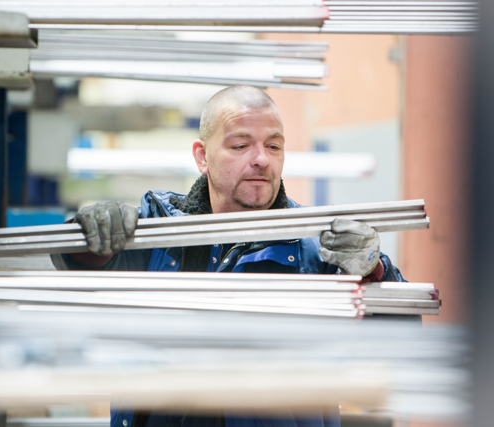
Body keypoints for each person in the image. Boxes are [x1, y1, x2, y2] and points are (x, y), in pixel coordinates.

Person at [51, 85, 406, 427]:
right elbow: (75, 263)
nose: (261, 159)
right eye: (240, 145)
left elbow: (398, 345)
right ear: (202, 156)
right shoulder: (155, 233)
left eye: (274, 146)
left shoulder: (321, 251)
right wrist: (94, 232)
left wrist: (375, 272)